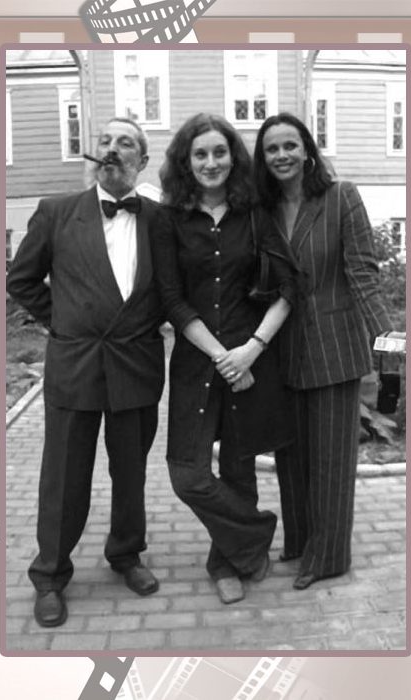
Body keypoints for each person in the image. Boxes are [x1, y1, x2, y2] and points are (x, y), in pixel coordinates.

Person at [6, 117, 165, 627]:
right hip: (75, 366)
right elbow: (21, 280)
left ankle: (126, 554)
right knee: (64, 476)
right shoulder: (56, 212)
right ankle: (50, 575)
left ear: (142, 161)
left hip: (135, 364)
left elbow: (173, 289)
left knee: (131, 471)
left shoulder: (159, 220)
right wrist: (64, 322)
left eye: (126, 143)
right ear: (94, 153)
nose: (113, 149)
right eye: (105, 141)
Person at [150, 113, 300, 604]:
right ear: (186, 161)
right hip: (197, 362)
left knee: (239, 469)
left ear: (233, 158)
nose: (211, 162)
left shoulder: (255, 214)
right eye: (200, 154)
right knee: (187, 474)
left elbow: (288, 288)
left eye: (219, 152)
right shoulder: (169, 219)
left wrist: (252, 349)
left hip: (251, 359)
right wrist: (222, 356)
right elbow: (172, 300)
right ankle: (257, 532)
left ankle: (226, 564)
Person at [253, 111, 399, 590]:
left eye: (290, 145)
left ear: (307, 150)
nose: (281, 155)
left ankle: (329, 556)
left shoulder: (341, 197)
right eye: (272, 148)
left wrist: (390, 346)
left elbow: (363, 275)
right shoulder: (262, 209)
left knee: (332, 462)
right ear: (263, 158)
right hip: (282, 349)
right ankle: (299, 542)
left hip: (335, 349)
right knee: (291, 457)